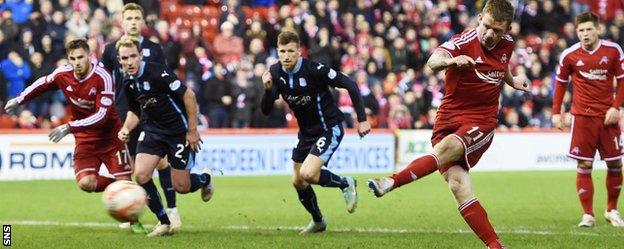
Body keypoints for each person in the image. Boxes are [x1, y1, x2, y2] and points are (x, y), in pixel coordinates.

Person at [367, 1, 529, 248]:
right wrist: (452, 62)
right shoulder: (463, 42)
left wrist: (511, 80)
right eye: (486, 26)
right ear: (479, 18)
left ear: (507, 28)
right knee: (458, 185)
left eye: (497, 30)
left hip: (480, 122)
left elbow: (502, 63)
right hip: (447, 119)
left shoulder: (506, 43)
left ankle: (391, 181)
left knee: (447, 148)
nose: (489, 34)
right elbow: (434, 60)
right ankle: (497, 246)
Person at [261, 30, 371, 234]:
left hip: (329, 127)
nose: (286, 56)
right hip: (306, 133)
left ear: (299, 51)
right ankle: (318, 221)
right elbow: (266, 110)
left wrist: (362, 120)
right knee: (298, 180)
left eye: (291, 51)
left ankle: (345, 183)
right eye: (282, 51)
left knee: (308, 173)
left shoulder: (314, 70)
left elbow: (350, 84)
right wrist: (268, 90)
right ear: (277, 51)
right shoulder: (275, 72)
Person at [4, 39, 132, 194]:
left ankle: (126, 192)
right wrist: (19, 99)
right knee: (86, 183)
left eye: (80, 57)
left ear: (90, 56)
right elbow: (42, 83)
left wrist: (69, 127)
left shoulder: (102, 77)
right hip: (85, 138)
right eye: (73, 58)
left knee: (124, 182)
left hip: (110, 136)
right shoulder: (63, 74)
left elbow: (102, 115)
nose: (77, 62)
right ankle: (122, 191)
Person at [115, 38, 213, 237]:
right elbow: (135, 111)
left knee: (181, 187)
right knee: (141, 175)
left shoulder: (158, 72)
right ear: (120, 60)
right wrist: (126, 128)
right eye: (125, 58)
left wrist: (192, 131)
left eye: (133, 56)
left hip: (178, 132)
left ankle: (204, 179)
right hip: (152, 131)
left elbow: (189, 96)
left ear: (140, 55)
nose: (130, 61)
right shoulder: (128, 82)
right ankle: (164, 222)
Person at [101, 3, 181, 231]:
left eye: (137, 18)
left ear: (143, 21)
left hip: (150, 112)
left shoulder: (155, 49)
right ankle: (134, 212)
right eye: (129, 18)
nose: (134, 22)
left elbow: (164, 82)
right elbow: (105, 81)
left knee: (161, 162)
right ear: (122, 21)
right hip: (123, 112)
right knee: (135, 167)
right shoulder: (109, 50)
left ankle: (172, 211)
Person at [552, 11, 624, 228]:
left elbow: (622, 81)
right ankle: (588, 214)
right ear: (576, 32)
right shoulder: (569, 55)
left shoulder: (613, 51)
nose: (585, 34)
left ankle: (611, 209)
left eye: (589, 29)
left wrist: (616, 107)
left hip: (607, 118)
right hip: (582, 117)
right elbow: (560, 84)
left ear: (598, 29)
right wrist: (557, 112)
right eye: (581, 30)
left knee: (615, 164)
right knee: (584, 164)